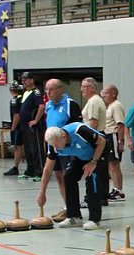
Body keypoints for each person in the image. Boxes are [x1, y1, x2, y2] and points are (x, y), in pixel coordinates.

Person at [44, 124, 108, 230]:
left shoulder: (80, 131)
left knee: (91, 178)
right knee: (69, 177)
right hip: (82, 154)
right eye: (53, 145)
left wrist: (93, 162)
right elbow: (47, 169)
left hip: (99, 152)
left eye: (57, 144)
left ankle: (94, 220)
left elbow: (102, 141)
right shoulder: (53, 144)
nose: (56, 148)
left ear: (64, 136)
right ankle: (74, 216)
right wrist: (42, 193)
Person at [36, 79, 82, 217]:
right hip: (53, 147)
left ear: (60, 89)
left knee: (68, 178)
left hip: (67, 148)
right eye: (46, 90)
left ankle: (74, 211)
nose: (48, 93)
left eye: (52, 89)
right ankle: (67, 207)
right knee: (58, 177)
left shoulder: (70, 104)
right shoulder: (48, 106)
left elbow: (78, 128)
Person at [79, 77, 107, 207]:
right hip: (99, 137)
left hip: (95, 139)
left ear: (92, 88)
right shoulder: (95, 100)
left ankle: (91, 198)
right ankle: (101, 197)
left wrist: (86, 140)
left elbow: (93, 123)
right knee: (101, 171)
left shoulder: (93, 102)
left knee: (92, 170)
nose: (81, 90)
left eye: (84, 87)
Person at [100, 84, 126, 202]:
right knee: (111, 165)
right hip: (108, 136)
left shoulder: (116, 106)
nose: (103, 95)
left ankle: (119, 191)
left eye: (106, 93)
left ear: (113, 94)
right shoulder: (109, 106)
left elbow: (120, 124)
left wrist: (120, 141)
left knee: (114, 164)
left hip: (113, 136)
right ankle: (115, 188)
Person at [19, 71, 45, 181]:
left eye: (25, 79)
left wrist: (36, 120)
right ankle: (30, 170)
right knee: (28, 150)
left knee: (36, 149)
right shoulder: (25, 93)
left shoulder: (36, 92)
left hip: (34, 127)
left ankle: (40, 172)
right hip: (24, 126)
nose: (23, 82)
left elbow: (41, 106)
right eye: (22, 80)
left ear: (32, 80)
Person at [3, 81, 24, 176]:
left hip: (18, 127)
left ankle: (15, 167)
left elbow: (16, 115)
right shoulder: (23, 99)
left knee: (17, 147)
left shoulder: (15, 100)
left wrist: (13, 128)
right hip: (23, 127)